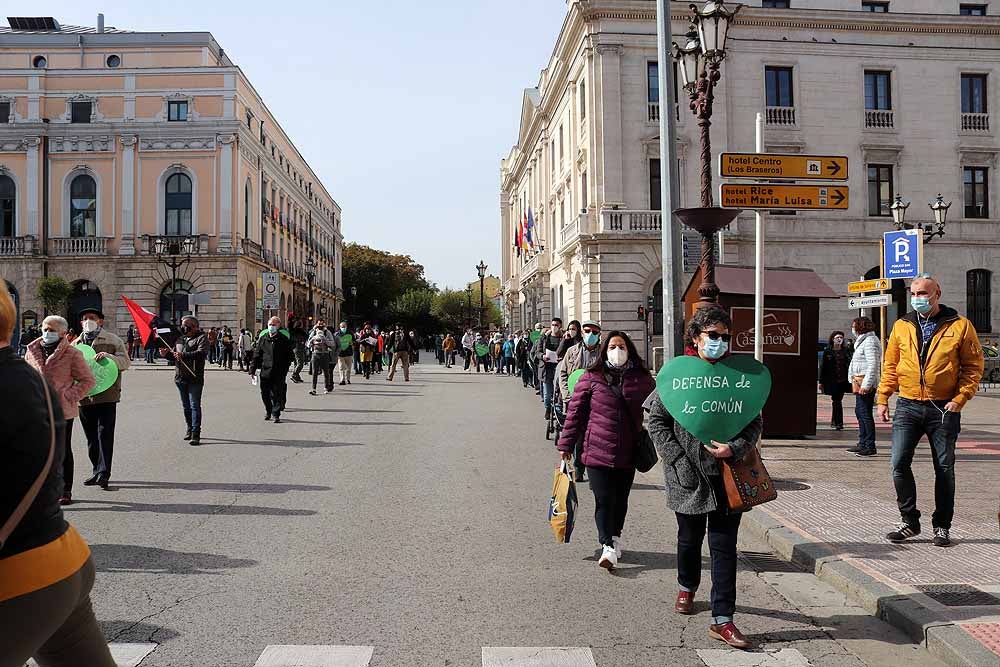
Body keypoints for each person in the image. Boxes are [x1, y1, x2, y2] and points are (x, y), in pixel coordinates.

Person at [0, 287, 116, 667]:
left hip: (17, 577)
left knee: (73, 452)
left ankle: (90, 477)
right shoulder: (25, 372)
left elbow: (96, 376)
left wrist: (71, 393)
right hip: (60, 560)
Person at [647, 305, 762, 650]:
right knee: (689, 539)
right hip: (689, 477)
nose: (720, 342)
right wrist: (679, 462)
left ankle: (722, 618)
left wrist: (736, 448)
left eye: (725, 337)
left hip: (728, 476)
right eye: (713, 336)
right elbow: (656, 422)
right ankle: (687, 585)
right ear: (696, 338)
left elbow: (754, 422)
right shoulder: (678, 375)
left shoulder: (739, 376)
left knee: (725, 549)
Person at [877, 275, 983, 547]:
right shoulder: (902, 325)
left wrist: (960, 399)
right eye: (914, 293)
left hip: (943, 408)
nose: (917, 298)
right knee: (898, 464)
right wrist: (883, 398)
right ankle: (909, 521)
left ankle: (942, 526)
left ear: (937, 293)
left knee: (944, 468)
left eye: (923, 293)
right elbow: (890, 365)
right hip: (908, 405)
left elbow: (973, 366)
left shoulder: (960, 325)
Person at [556, 331, 656, 572]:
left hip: (628, 451)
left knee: (621, 500)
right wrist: (565, 445)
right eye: (613, 346)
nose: (617, 350)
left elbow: (659, 407)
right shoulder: (592, 377)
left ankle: (616, 536)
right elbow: (576, 415)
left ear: (629, 349)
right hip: (597, 451)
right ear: (605, 350)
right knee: (603, 499)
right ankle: (607, 544)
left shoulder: (641, 378)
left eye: (621, 346)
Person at [24, 315, 96, 506]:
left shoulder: (72, 353)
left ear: (63, 333)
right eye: (46, 329)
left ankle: (65, 489)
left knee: (62, 449)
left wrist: (68, 396)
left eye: (52, 330)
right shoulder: (31, 350)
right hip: (36, 409)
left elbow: (88, 381)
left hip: (61, 410)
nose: (47, 333)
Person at [75, 307, 130, 490]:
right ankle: (96, 470)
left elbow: (125, 363)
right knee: (91, 437)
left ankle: (104, 473)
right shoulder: (76, 344)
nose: (87, 321)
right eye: (84, 318)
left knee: (104, 434)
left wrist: (109, 358)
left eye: (91, 318)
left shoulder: (112, 340)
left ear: (100, 321)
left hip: (107, 394)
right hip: (84, 396)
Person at [557, 319, 603, 480]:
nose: (591, 335)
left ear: (599, 334)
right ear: (582, 332)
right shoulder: (572, 351)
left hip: (597, 401)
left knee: (595, 436)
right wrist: (566, 395)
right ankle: (578, 468)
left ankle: (593, 468)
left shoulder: (603, 353)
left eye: (595, 332)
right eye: (587, 331)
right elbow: (562, 374)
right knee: (578, 435)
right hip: (575, 399)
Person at [170, 316, 209, 446]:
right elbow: (175, 355)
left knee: (194, 405)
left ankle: (196, 433)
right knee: (186, 406)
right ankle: (189, 428)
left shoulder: (202, 338)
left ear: (194, 326)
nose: (183, 327)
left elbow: (201, 353)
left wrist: (184, 355)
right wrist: (167, 354)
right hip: (180, 377)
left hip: (194, 377)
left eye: (185, 325)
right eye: (182, 324)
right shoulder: (180, 338)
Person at [847, 317, 881, 458]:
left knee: (865, 414)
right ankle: (862, 442)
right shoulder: (862, 341)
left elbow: (873, 364)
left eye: (854, 326)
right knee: (860, 412)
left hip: (865, 383)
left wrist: (867, 385)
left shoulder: (870, 341)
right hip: (858, 381)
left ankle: (869, 445)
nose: (853, 329)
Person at [250, 316, 294, 423]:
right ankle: (268, 410)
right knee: (265, 393)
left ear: (278, 326)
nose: (271, 327)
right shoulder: (263, 339)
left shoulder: (283, 339)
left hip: (279, 371)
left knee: (277, 393)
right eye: (270, 325)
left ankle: (276, 413)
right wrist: (252, 369)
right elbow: (257, 355)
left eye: (274, 325)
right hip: (265, 370)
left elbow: (290, 356)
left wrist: (285, 368)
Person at [819, 330, 852, 430]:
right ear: (833, 339)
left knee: (837, 401)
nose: (839, 339)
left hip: (843, 380)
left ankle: (837, 422)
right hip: (832, 380)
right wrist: (821, 381)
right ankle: (837, 422)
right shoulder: (828, 351)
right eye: (837, 337)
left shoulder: (846, 351)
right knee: (836, 401)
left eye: (841, 338)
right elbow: (823, 367)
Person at [533, 317, 564, 420]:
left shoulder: (563, 338)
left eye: (556, 325)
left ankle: (557, 411)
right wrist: (542, 356)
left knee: (558, 393)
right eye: (553, 325)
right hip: (546, 368)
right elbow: (537, 352)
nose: (554, 327)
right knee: (547, 394)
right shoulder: (544, 337)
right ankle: (548, 408)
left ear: (560, 327)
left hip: (559, 368)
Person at [306, 320, 336, 395]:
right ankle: (313, 389)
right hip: (315, 354)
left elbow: (332, 343)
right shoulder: (313, 332)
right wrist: (313, 341)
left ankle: (326, 387)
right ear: (316, 324)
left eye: (322, 324)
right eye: (319, 324)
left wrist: (325, 340)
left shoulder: (327, 332)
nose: (320, 326)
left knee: (326, 372)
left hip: (324, 354)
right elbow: (308, 344)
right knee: (314, 372)